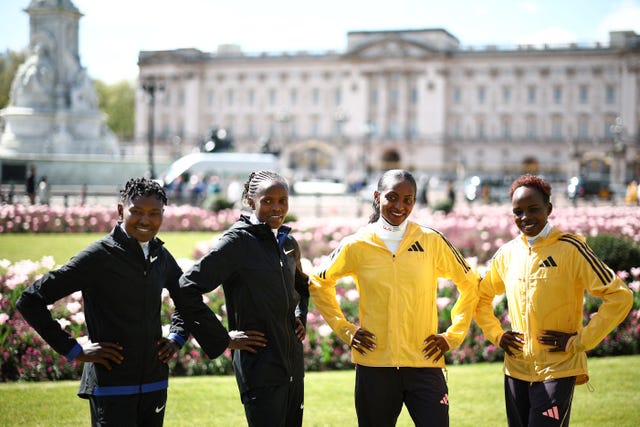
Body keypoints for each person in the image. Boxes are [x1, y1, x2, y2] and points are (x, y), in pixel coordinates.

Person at [309, 169, 479, 426]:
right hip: (375, 366)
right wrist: (346, 330)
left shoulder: (431, 240)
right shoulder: (357, 244)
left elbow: (470, 282)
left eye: (408, 199)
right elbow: (318, 282)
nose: (400, 206)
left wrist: (452, 335)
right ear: (377, 197)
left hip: (425, 362)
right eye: (392, 197)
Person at [16, 177, 190, 427]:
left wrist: (177, 338)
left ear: (163, 214)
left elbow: (188, 299)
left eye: (154, 213)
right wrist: (73, 349)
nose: (145, 220)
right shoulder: (98, 256)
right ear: (121, 210)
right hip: (111, 386)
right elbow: (30, 299)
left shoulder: (160, 255)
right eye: (137, 211)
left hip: (154, 382)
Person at [474, 174, 633, 427]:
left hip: (560, 366)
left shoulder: (571, 248)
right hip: (516, 368)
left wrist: (580, 341)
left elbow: (620, 296)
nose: (525, 217)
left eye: (533, 209)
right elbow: (480, 297)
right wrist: (496, 335)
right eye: (518, 212)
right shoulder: (507, 254)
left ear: (548, 209)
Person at [178, 170, 309, 427]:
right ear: (251, 202)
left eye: (283, 200)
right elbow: (186, 287)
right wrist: (223, 338)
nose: (277, 207)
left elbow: (302, 287)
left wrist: (299, 316)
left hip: (293, 367)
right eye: (268, 200)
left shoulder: (288, 242)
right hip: (259, 368)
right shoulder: (237, 241)